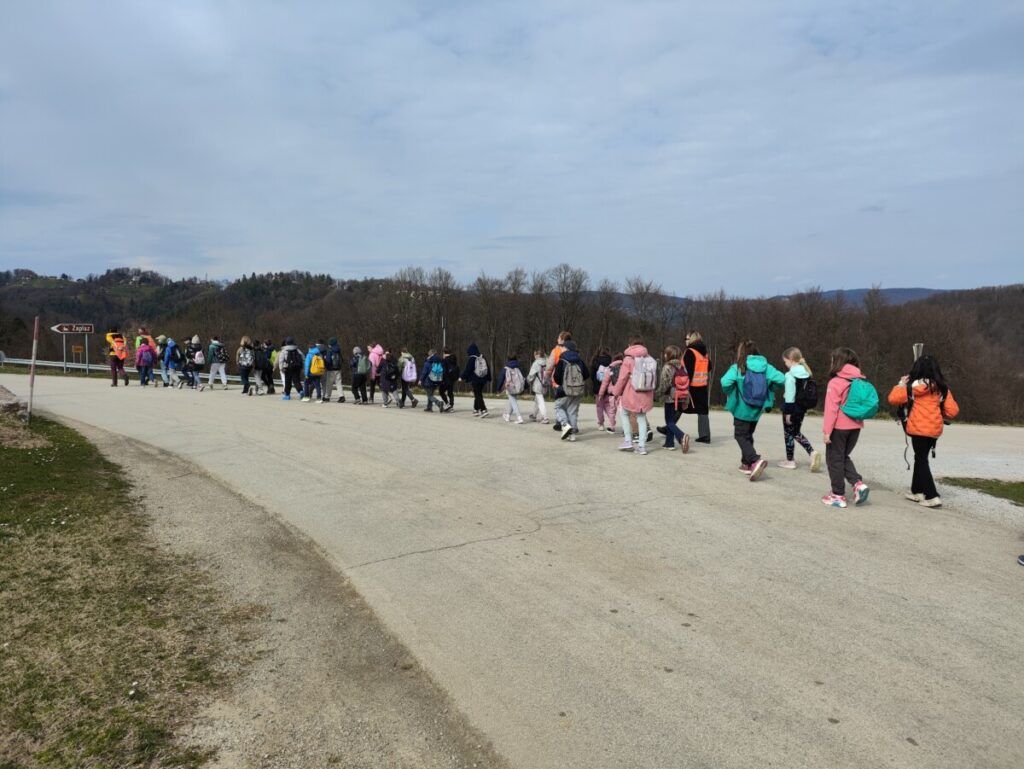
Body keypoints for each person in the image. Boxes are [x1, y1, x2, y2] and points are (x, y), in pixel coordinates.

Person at [887, 354, 960, 508]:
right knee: (921, 457)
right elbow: (952, 411)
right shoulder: (942, 388)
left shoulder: (911, 387)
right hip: (934, 429)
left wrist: (901, 383)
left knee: (921, 459)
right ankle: (917, 491)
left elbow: (893, 399)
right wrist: (938, 411)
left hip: (918, 428)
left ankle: (932, 496)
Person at [720, 340, 785, 481]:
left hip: (741, 409)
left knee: (740, 435)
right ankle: (746, 464)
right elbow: (781, 379)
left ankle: (755, 460)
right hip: (757, 410)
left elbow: (725, 382)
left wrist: (732, 391)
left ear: (741, 352)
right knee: (747, 435)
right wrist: (770, 388)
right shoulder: (766, 367)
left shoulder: (738, 367)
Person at [821, 347, 871, 508]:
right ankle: (857, 484)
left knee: (833, 459)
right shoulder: (860, 380)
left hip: (839, 428)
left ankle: (837, 495)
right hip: (855, 426)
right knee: (842, 457)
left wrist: (827, 431)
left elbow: (831, 409)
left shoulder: (836, 382)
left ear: (837, 362)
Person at [778, 347, 821, 471]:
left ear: (791, 360)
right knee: (795, 432)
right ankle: (811, 452)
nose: (785, 364)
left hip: (791, 408)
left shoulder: (790, 375)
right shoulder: (807, 373)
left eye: (785, 361)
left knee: (788, 434)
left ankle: (791, 460)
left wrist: (788, 412)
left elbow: (790, 396)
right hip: (801, 409)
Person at [611, 337, 656, 454]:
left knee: (624, 412)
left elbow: (622, 378)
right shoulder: (649, 358)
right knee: (641, 418)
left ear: (630, 345)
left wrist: (615, 392)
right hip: (646, 393)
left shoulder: (628, 359)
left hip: (631, 393)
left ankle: (628, 440)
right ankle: (642, 446)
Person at [551, 341, 589, 441]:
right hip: (577, 390)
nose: (562, 349)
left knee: (558, 407)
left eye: (563, 347)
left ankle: (565, 424)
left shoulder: (562, 360)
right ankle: (572, 434)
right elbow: (586, 374)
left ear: (567, 349)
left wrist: (563, 383)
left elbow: (556, 377)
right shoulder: (580, 360)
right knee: (572, 411)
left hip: (564, 390)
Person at [657, 345, 690, 452]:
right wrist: (686, 400)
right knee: (671, 421)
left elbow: (664, 385)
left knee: (669, 421)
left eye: (666, 353)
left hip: (670, 398)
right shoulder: (683, 367)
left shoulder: (667, 367)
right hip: (681, 396)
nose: (664, 355)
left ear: (669, 355)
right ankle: (669, 443)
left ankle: (681, 436)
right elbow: (687, 384)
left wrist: (657, 394)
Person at [682, 332, 712, 443]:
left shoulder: (690, 351)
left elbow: (688, 371)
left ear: (692, 339)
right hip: (702, 385)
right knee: (703, 411)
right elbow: (709, 367)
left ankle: (670, 428)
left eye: (687, 338)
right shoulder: (704, 352)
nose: (685, 340)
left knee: (680, 406)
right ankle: (705, 436)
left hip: (692, 386)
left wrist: (685, 386)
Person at [547, 331, 571, 429]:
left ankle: (560, 422)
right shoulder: (572, 350)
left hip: (558, 378)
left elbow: (550, 366)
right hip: (571, 379)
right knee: (568, 402)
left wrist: (548, 375)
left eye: (558, 338)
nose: (557, 339)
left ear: (562, 339)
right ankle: (568, 421)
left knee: (559, 402)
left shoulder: (556, 350)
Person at [596, 352, 623, 434]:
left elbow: (605, 383)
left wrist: (601, 394)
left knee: (612, 411)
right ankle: (625, 429)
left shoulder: (610, 368)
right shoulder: (625, 366)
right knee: (623, 412)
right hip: (623, 393)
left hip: (612, 394)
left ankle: (612, 427)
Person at [461, 343, 491, 417]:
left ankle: (483, 410)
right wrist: (489, 378)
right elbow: (487, 368)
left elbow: (467, 370)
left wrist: (461, 377)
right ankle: (476, 409)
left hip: (476, 379)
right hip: (483, 379)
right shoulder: (482, 357)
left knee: (478, 395)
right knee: (478, 393)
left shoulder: (472, 358)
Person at [497, 354, 526, 424]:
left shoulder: (506, 368)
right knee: (512, 402)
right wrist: (525, 386)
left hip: (510, 387)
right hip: (518, 387)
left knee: (513, 402)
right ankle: (507, 416)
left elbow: (501, 379)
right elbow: (523, 377)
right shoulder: (518, 368)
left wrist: (498, 388)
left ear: (508, 360)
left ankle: (519, 417)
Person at [593, 348, 617, 432]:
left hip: (597, 387)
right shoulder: (611, 362)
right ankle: (612, 422)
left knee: (599, 406)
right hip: (608, 387)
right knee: (608, 406)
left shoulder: (595, 362)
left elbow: (592, 376)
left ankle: (601, 424)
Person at [526, 349, 550, 424]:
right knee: (537, 400)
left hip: (538, 384)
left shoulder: (536, 363)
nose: (534, 356)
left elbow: (531, 375)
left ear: (538, 355)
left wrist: (527, 381)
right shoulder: (547, 361)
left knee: (540, 400)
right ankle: (534, 415)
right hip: (545, 383)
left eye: (535, 355)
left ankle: (545, 417)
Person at [321, 337, 345, 403]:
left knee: (329, 384)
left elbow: (328, 360)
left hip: (331, 369)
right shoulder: (338, 350)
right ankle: (341, 396)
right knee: (339, 383)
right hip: (338, 369)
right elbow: (342, 359)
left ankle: (327, 397)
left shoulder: (330, 350)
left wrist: (325, 365)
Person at [440, 347, 459, 412]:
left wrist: (442, 379)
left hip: (446, 379)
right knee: (450, 393)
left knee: (441, 391)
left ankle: (447, 404)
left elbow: (444, 371)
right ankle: (451, 406)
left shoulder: (445, 360)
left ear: (444, 353)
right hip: (452, 378)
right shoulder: (454, 358)